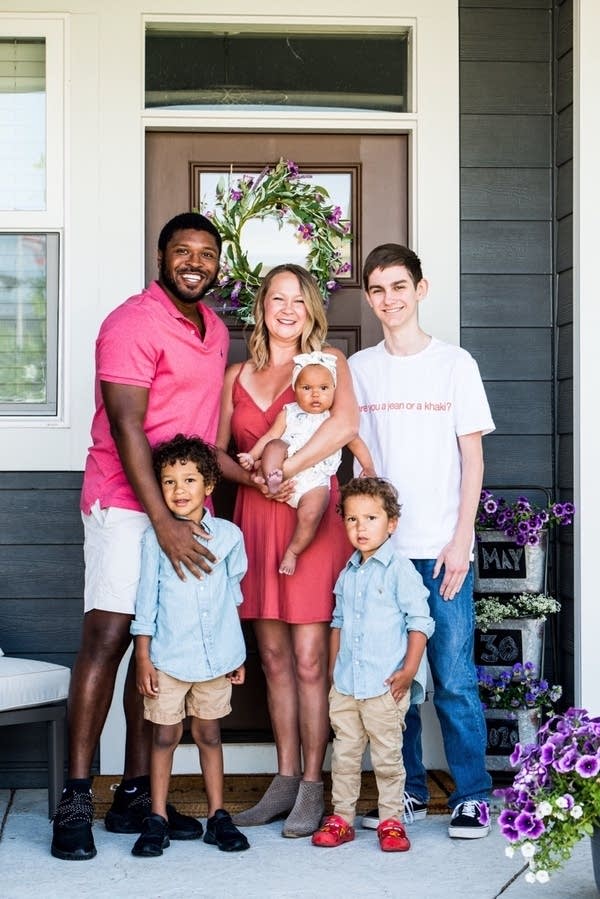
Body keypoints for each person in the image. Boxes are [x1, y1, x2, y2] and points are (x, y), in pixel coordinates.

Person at [51, 212, 229, 861]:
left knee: (156, 645)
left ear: (217, 264)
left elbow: (202, 437)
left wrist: (257, 474)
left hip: (181, 509)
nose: (194, 262)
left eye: (206, 253)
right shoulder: (131, 322)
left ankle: (132, 796)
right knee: (110, 636)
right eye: (182, 250)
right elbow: (128, 426)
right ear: (161, 256)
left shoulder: (214, 331)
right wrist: (163, 522)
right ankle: (74, 797)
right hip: (125, 505)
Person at [348, 244, 495, 839]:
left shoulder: (455, 364)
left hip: (440, 551)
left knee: (455, 678)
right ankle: (404, 792)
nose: (389, 300)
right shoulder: (358, 369)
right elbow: (355, 454)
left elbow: (473, 457)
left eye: (399, 287)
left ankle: (472, 796)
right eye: (378, 290)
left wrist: (463, 539)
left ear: (421, 288)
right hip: (383, 555)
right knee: (395, 684)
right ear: (369, 297)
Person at [215, 263, 358, 838]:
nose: (286, 308)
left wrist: (287, 471)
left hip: (313, 519)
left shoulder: (330, 364)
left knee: (308, 658)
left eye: (297, 299)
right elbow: (219, 453)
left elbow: (344, 425)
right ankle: (282, 780)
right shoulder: (235, 375)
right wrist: (256, 483)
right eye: (277, 298)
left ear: (311, 309)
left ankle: (313, 786)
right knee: (272, 659)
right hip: (257, 518)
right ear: (262, 307)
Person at [130, 435, 249, 857]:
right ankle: (157, 818)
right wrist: (143, 656)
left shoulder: (230, 537)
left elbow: (231, 598)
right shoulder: (154, 540)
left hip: (217, 657)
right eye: (168, 482)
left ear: (209, 486)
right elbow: (145, 602)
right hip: (168, 659)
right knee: (163, 737)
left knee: (210, 734)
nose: (179, 490)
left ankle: (218, 816)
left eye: (189, 480)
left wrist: (238, 655)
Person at [312, 478, 434, 853]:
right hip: (347, 685)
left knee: (387, 757)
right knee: (346, 756)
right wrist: (335, 672)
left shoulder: (399, 570)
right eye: (351, 520)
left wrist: (410, 669)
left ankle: (392, 820)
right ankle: (342, 818)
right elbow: (338, 624)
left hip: (385, 685)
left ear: (391, 523)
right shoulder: (348, 573)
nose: (360, 528)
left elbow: (420, 621)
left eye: (370, 518)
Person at [237, 350, 374, 574]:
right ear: (295, 389)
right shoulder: (289, 412)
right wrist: (252, 456)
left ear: (333, 390)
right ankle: (272, 478)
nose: (315, 394)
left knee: (312, 513)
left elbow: (355, 442)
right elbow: (270, 437)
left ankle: (293, 551)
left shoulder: (334, 418)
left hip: (314, 483)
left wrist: (368, 467)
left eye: (323, 388)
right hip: (283, 466)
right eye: (306, 388)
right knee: (275, 446)